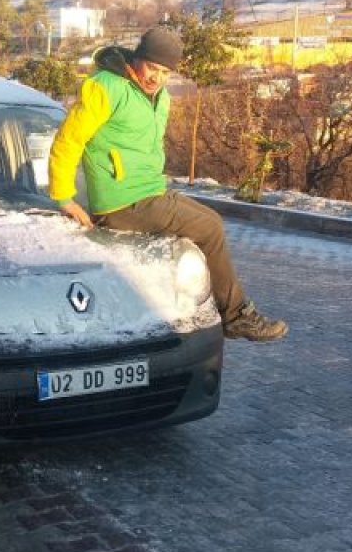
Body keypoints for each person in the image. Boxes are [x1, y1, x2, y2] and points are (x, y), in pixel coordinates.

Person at [48, 26, 288, 342]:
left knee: (209, 223)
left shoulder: (160, 98)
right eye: (152, 68)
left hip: (150, 192)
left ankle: (208, 306)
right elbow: (68, 141)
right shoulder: (105, 88)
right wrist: (64, 196)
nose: (157, 78)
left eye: (165, 72)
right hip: (121, 200)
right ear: (137, 59)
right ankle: (236, 316)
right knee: (210, 226)